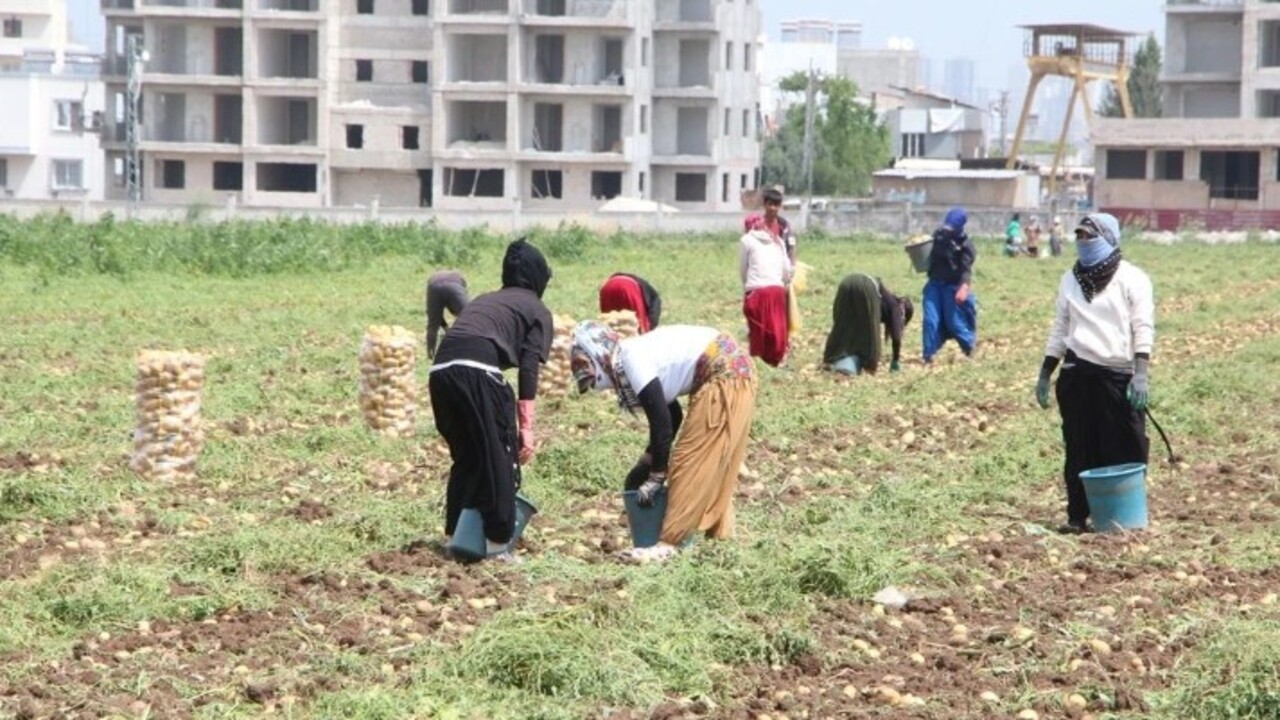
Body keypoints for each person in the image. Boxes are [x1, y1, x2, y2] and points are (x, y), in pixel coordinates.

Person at [570, 321, 756, 563]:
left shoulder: (631, 359)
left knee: (691, 461)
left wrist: (656, 476)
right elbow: (672, 415)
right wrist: (649, 459)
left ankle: (668, 546)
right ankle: (719, 541)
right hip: (734, 372)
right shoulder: (633, 354)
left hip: (725, 376)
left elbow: (661, 423)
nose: (603, 387)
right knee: (713, 462)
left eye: (590, 371)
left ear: (598, 354)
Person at [428, 238, 553, 558]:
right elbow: (528, 367)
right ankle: (498, 544)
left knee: (468, 457)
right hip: (476, 371)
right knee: (501, 455)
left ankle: (456, 536)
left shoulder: (488, 299)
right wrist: (526, 428)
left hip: (441, 371)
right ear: (538, 277)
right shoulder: (537, 309)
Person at [1035, 213, 1154, 534]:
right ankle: (1078, 516)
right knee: (1080, 447)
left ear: (1110, 238)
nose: (1084, 241)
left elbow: (1142, 327)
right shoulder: (1070, 279)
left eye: (1091, 235)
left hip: (1118, 376)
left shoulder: (1132, 278)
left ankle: (1122, 517)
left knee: (1127, 445)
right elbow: (1061, 328)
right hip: (1077, 375)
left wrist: (1141, 373)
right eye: (1080, 236)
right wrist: (1047, 371)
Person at [822, 273, 914, 375]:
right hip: (866, 286)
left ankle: (832, 360)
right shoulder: (898, 307)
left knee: (843, 327)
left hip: (846, 282)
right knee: (871, 338)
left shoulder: (886, 300)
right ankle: (858, 366)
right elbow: (896, 337)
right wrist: (895, 360)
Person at [922, 207, 978, 363]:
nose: (948, 230)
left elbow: (966, 270)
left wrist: (964, 287)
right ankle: (928, 356)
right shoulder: (938, 236)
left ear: (960, 227)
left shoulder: (966, 246)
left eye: (952, 228)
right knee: (930, 319)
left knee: (955, 323)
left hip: (952, 287)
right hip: (934, 284)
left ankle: (969, 348)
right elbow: (926, 252)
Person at [740, 214, 793, 367]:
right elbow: (786, 269)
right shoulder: (778, 241)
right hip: (777, 290)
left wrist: (747, 287)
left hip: (756, 290)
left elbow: (743, 268)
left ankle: (759, 362)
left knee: (758, 328)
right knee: (776, 325)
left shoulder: (746, 240)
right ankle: (777, 359)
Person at [425, 270, 470, 359]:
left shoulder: (456, 277)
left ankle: (430, 354)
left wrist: (445, 327)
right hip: (454, 286)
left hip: (433, 285)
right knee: (469, 316)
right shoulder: (461, 283)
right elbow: (466, 311)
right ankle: (468, 347)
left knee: (432, 325)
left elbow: (437, 316)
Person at [598, 273, 663, 334]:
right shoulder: (654, 300)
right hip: (629, 287)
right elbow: (652, 317)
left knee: (610, 323)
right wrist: (648, 329)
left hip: (608, 286)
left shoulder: (648, 291)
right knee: (639, 328)